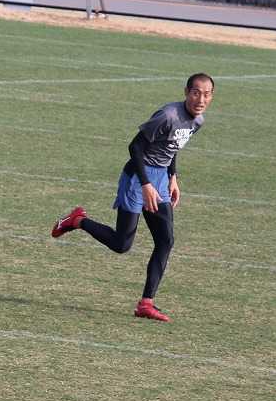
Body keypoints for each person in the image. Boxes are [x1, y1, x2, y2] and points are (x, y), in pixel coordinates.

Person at [51, 73, 215, 322]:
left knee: (165, 240)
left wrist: (172, 177)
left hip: (160, 179)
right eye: (196, 93)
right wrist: (146, 184)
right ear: (186, 92)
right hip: (138, 177)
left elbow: (172, 147)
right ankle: (77, 221)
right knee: (122, 244)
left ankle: (146, 304)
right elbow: (135, 147)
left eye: (206, 94)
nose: (200, 99)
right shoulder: (168, 115)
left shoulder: (198, 120)